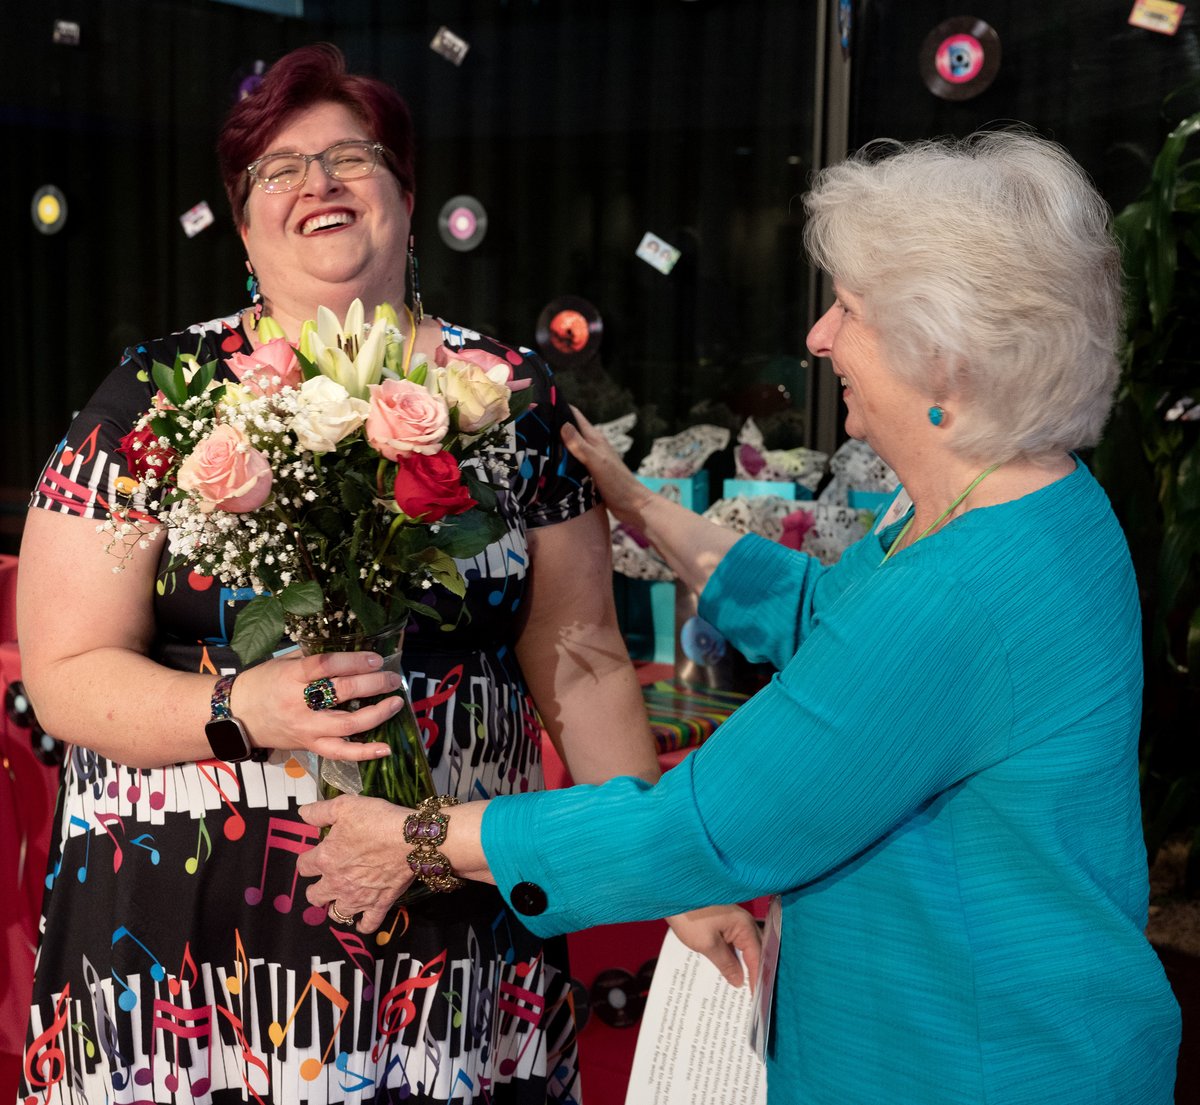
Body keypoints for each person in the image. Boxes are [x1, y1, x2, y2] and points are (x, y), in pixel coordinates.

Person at [296, 131, 1183, 1104]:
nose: (818, 338)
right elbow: (824, 613)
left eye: (851, 310)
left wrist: (419, 839)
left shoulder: (961, 592)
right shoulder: (1030, 498)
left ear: (948, 357)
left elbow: (700, 828)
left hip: (970, 1061)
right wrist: (642, 506)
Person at [17, 43, 673, 1105]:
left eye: (351, 158)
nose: (317, 182)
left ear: (408, 198)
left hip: (452, 918)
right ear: (242, 225)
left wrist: (659, 861)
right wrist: (247, 705)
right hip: (187, 946)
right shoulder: (150, 401)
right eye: (279, 169)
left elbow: (583, 655)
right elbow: (67, 667)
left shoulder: (506, 394)